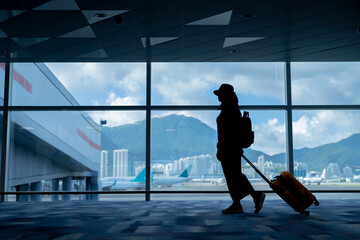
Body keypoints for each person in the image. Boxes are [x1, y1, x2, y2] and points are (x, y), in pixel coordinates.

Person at [214, 83, 265, 214]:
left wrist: (223, 148)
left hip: (229, 150)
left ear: (225, 95)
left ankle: (251, 198)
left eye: (220, 94)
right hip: (230, 149)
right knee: (235, 177)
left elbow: (229, 134)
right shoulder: (231, 109)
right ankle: (240, 203)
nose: (218, 97)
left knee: (234, 177)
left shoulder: (230, 110)